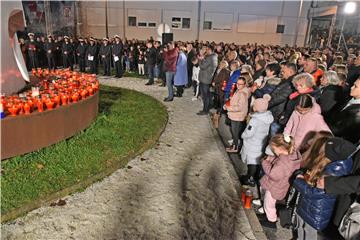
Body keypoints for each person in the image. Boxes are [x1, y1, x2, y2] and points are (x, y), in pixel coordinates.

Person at [293, 137, 354, 239]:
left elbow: (314, 193)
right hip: (308, 208)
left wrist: (298, 180)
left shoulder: (332, 173)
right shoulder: (330, 166)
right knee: (300, 229)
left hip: (316, 214)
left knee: (308, 234)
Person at [257, 134, 302, 229]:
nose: (273, 151)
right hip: (282, 185)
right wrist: (269, 158)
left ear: (280, 148)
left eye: (274, 149)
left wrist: (264, 163)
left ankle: (271, 221)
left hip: (275, 187)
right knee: (268, 203)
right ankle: (268, 215)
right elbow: (277, 161)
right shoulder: (290, 155)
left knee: (269, 204)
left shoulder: (283, 162)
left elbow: (274, 174)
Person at [240, 94, 274, 186]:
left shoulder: (255, 120)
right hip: (261, 142)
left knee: (251, 162)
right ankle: (253, 177)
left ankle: (249, 178)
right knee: (256, 161)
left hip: (252, 143)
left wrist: (243, 135)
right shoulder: (267, 117)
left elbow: (249, 133)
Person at [328, 78, 360, 144]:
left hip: (335, 142)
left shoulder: (358, 112)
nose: (351, 87)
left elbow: (342, 130)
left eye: (355, 86)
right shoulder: (348, 97)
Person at [268, 62, 296, 135]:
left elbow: (279, 98)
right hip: (275, 112)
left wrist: (265, 105)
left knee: (273, 138)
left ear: (290, 72)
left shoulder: (291, 84)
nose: (281, 73)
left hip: (278, 114)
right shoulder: (286, 81)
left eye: (284, 71)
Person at [223, 77, 249, 152]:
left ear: (244, 84)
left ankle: (235, 148)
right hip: (236, 115)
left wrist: (228, 108)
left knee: (235, 133)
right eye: (237, 83)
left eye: (240, 84)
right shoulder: (239, 90)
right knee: (234, 132)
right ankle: (234, 146)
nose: (238, 85)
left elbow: (239, 107)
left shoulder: (242, 93)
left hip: (237, 116)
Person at [197, 45, 218, 115]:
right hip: (207, 78)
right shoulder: (214, 57)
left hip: (205, 79)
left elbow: (202, 66)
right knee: (207, 95)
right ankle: (207, 108)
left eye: (207, 50)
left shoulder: (210, 57)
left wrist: (200, 59)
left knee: (205, 96)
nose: (206, 51)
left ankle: (205, 110)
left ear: (210, 50)